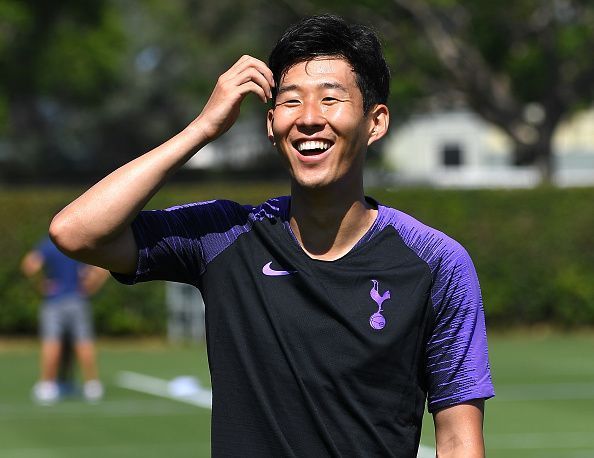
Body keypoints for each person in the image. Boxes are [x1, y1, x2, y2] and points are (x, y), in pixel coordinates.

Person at [49, 14, 494, 457]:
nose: (309, 119)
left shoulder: (436, 264)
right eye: (291, 101)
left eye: (330, 98)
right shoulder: (223, 236)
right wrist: (203, 128)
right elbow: (75, 232)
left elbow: (458, 440)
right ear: (270, 124)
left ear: (375, 123)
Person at [21, 237, 108, 404]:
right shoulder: (81, 243)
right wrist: (90, 287)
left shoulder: (48, 244)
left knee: (51, 342)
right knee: (84, 341)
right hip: (78, 299)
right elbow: (101, 270)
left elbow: (29, 266)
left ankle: (47, 385)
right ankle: (92, 385)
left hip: (53, 301)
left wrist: (40, 285)